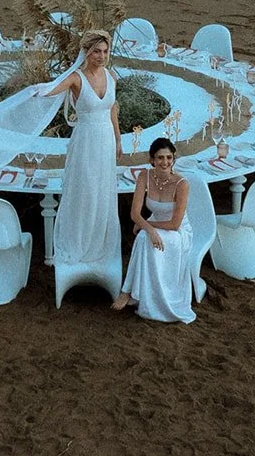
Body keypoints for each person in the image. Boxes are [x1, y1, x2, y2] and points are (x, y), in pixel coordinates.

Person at [43, 29, 122, 265]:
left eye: (105, 51)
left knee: (102, 190)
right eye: (96, 51)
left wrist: (118, 139)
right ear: (86, 52)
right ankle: (79, 242)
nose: (102, 56)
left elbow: (112, 109)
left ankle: (98, 242)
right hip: (85, 141)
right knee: (85, 189)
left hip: (106, 140)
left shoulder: (111, 76)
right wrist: (35, 92)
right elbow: (51, 90)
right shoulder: (76, 78)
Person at [112, 136, 196, 323]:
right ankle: (132, 292)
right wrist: (149, 228)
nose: (165, 162)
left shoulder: (182, 184)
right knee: (144, 237)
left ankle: (132, 292)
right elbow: (134, 213)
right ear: (152, 160)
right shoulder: (145, 176)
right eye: (160, 158)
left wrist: (148, 226)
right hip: (155, 223)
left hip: (178, 231)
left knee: (144, 238)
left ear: (173, 159)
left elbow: (175, 224)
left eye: (169, 157)